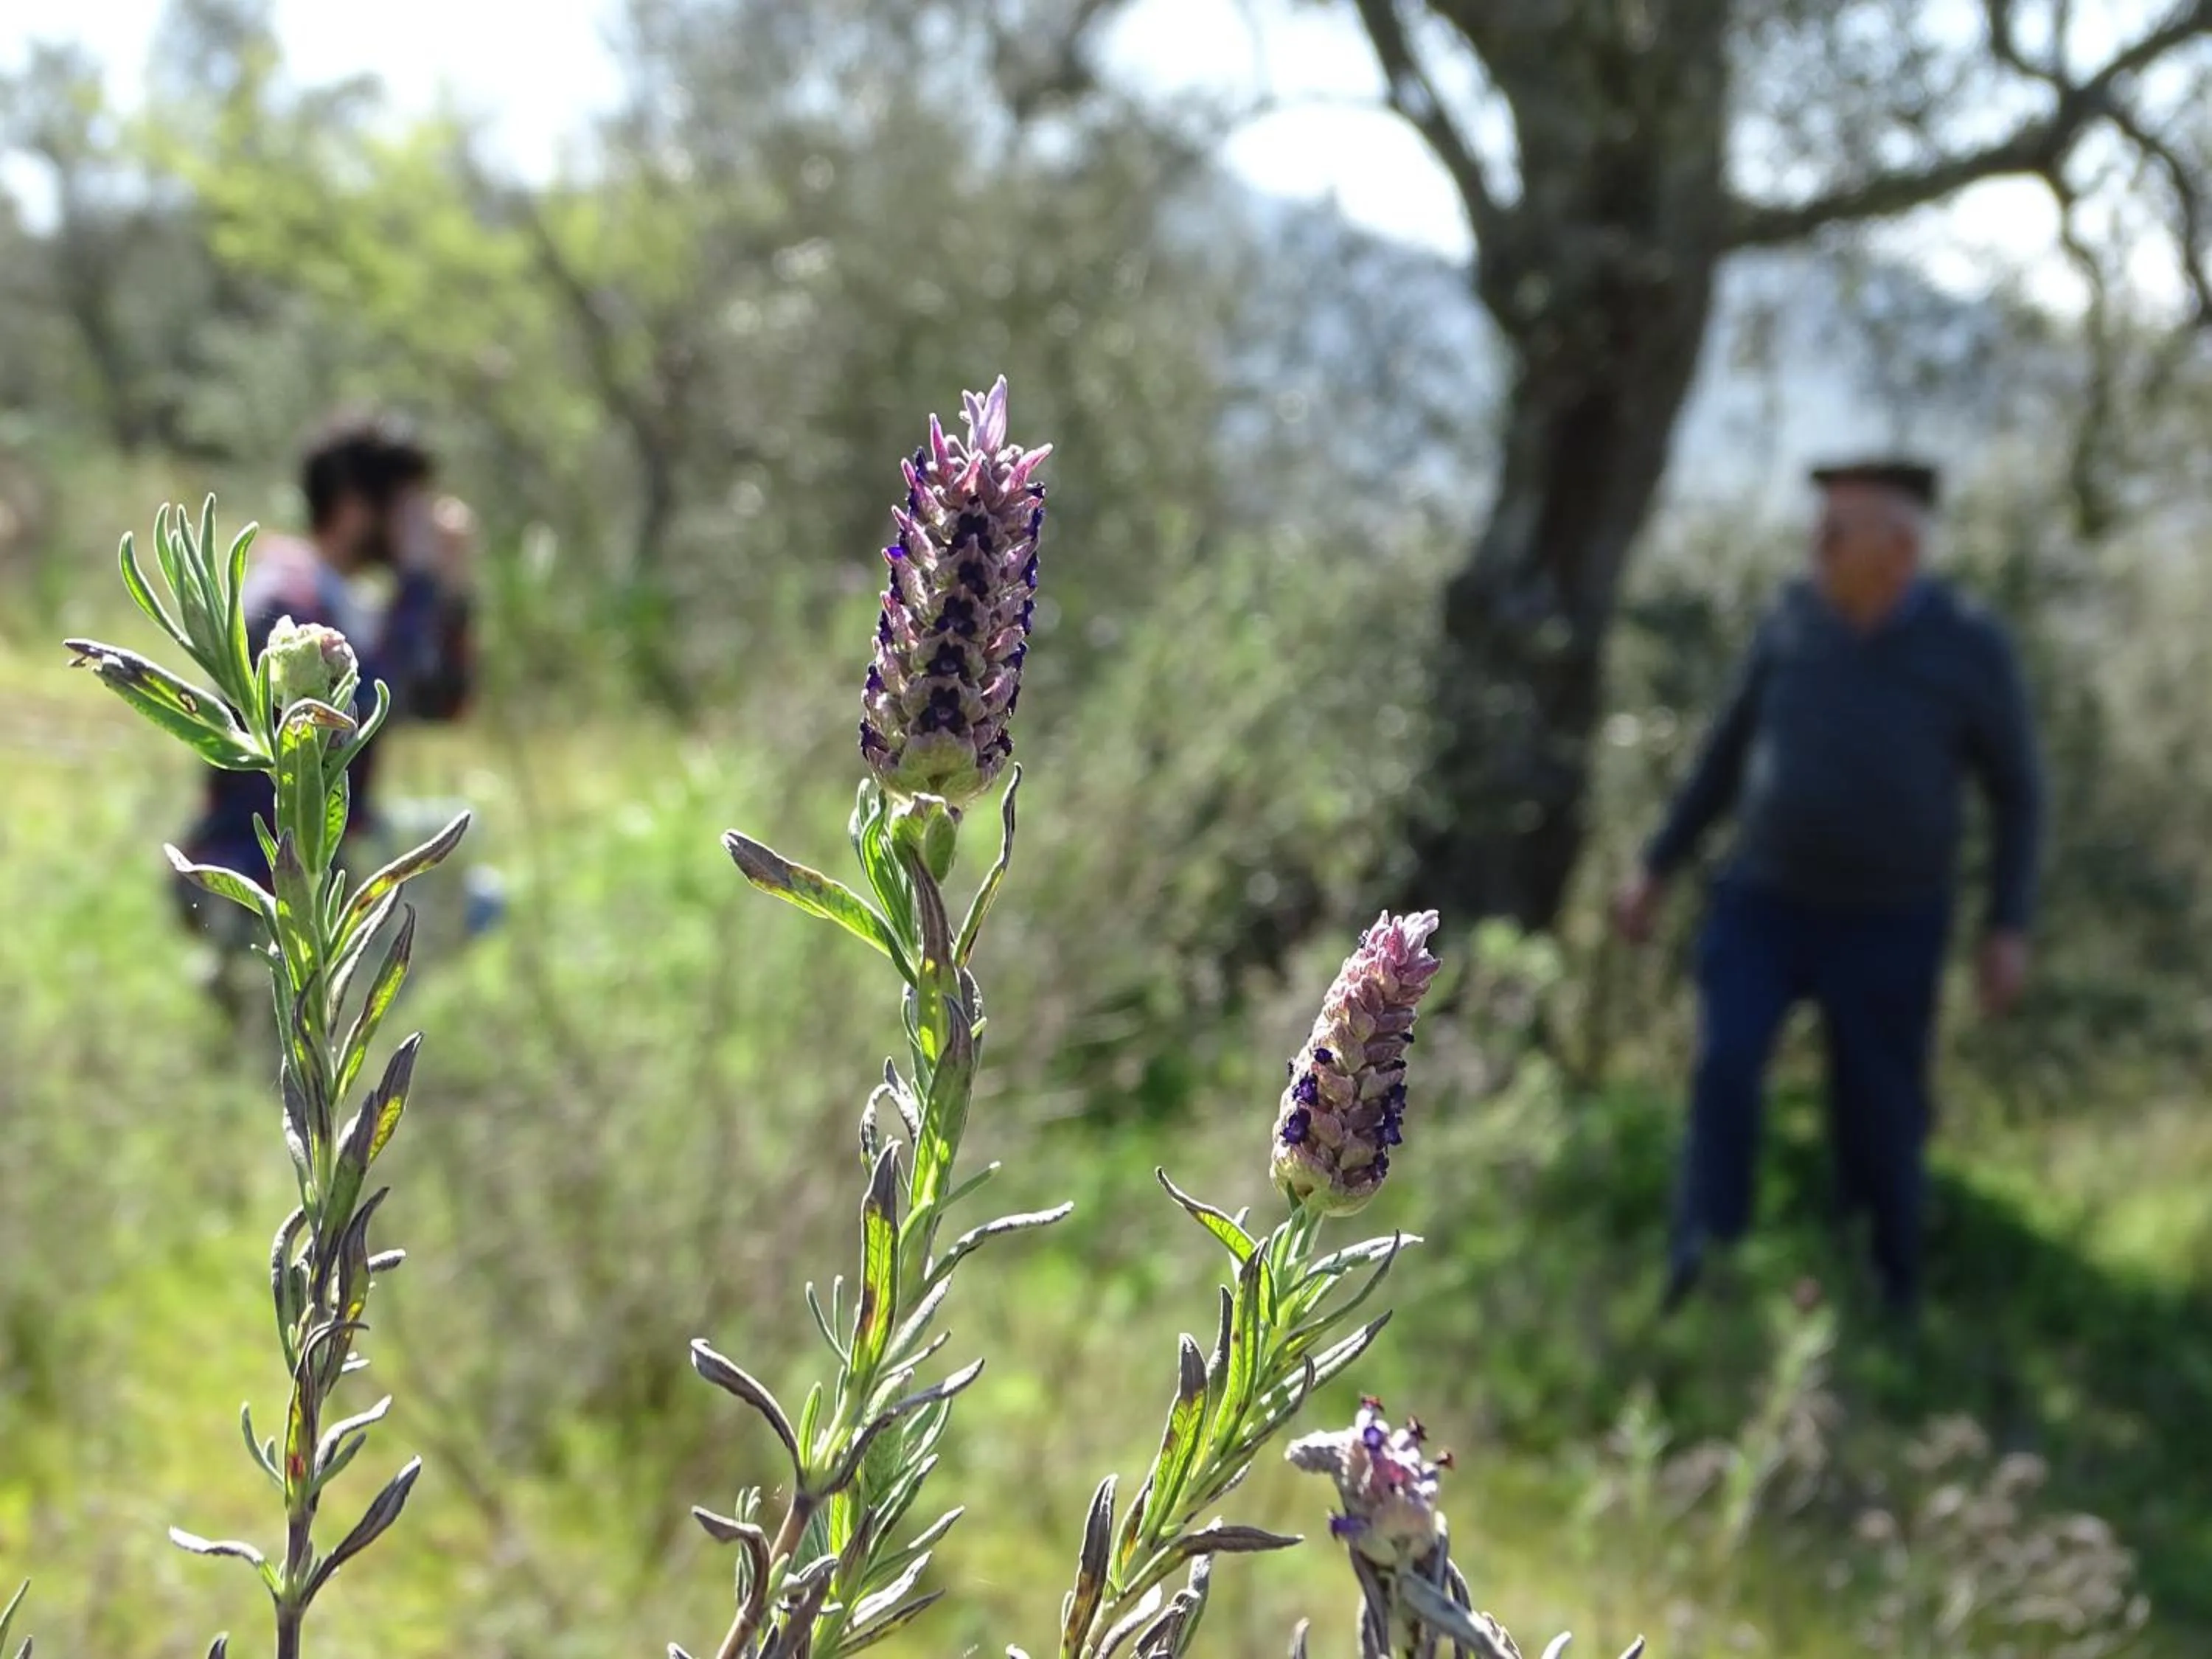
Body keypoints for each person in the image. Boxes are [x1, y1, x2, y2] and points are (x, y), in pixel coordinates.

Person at [1613, 459, 2043, 1321]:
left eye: (1836, 530)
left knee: (1879, 1114)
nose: (1816, 544)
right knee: (1725, 1068)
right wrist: (1656, 864)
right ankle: (1703, 1271)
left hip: (1891, 924)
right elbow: (1724, 756)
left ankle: (1885, 1294)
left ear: (1900, 549)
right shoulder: (1791, 618)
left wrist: (2007, 924)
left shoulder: (1967, 646)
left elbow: (2018, 790)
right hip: (1762, 904)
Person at [173, 411, 488, 996]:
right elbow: (357, 715)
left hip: (322, 855)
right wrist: (418, 581)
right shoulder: (290, 598)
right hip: (261, 868)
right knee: (465, 898)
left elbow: (442, 703)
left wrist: (454, 589)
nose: (419, 526)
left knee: (476, 860)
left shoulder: (345, 601)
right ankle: (262, 996)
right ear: (353, 507)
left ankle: (290, 1006)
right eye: (408, 509)